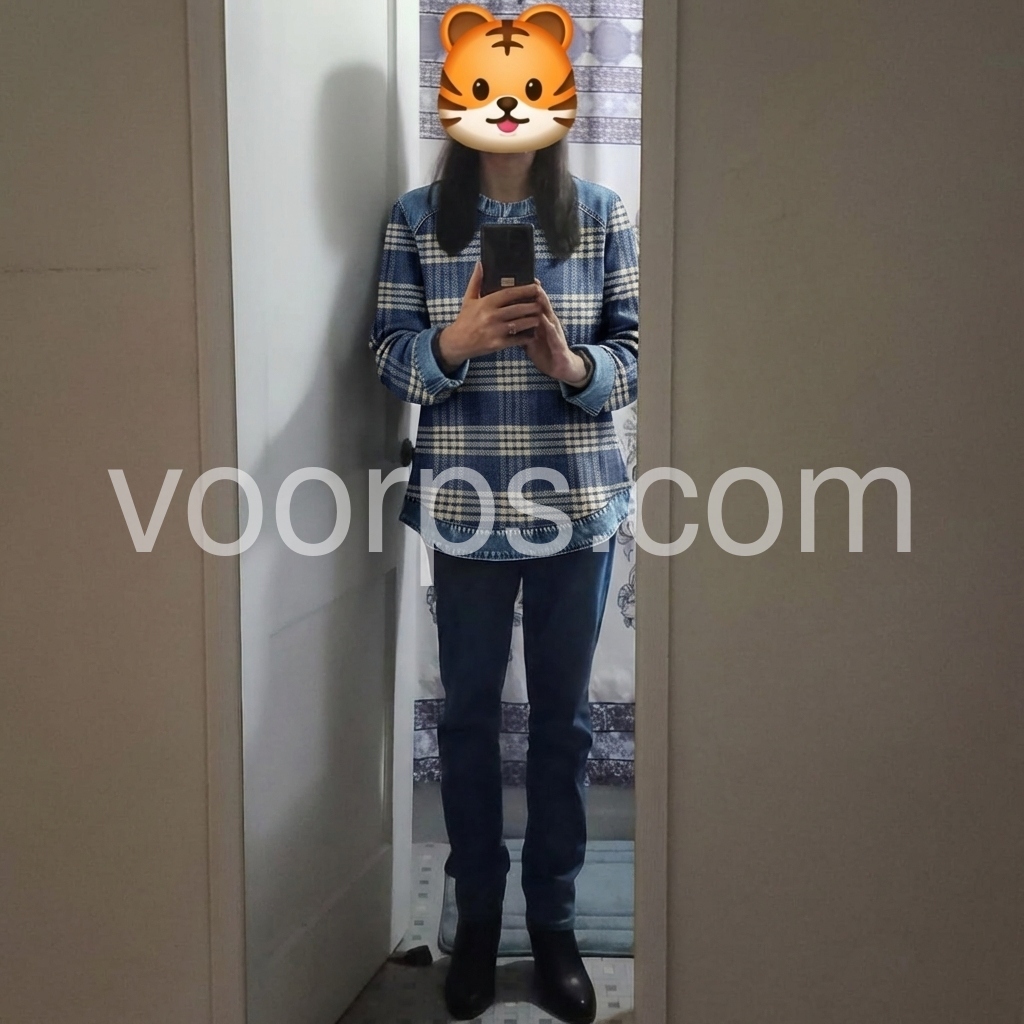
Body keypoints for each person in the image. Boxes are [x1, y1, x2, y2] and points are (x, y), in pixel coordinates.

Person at [370, 136, 639, 1024]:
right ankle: (479, 921)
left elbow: (639, 352)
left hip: (578, 501)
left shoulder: (599, 214)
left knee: (563, 725)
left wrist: (573, 366)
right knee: (468, 720)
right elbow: (387, 354)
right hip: (464, 502)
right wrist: (453, 342)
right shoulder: (417, 219)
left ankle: (553, 926)